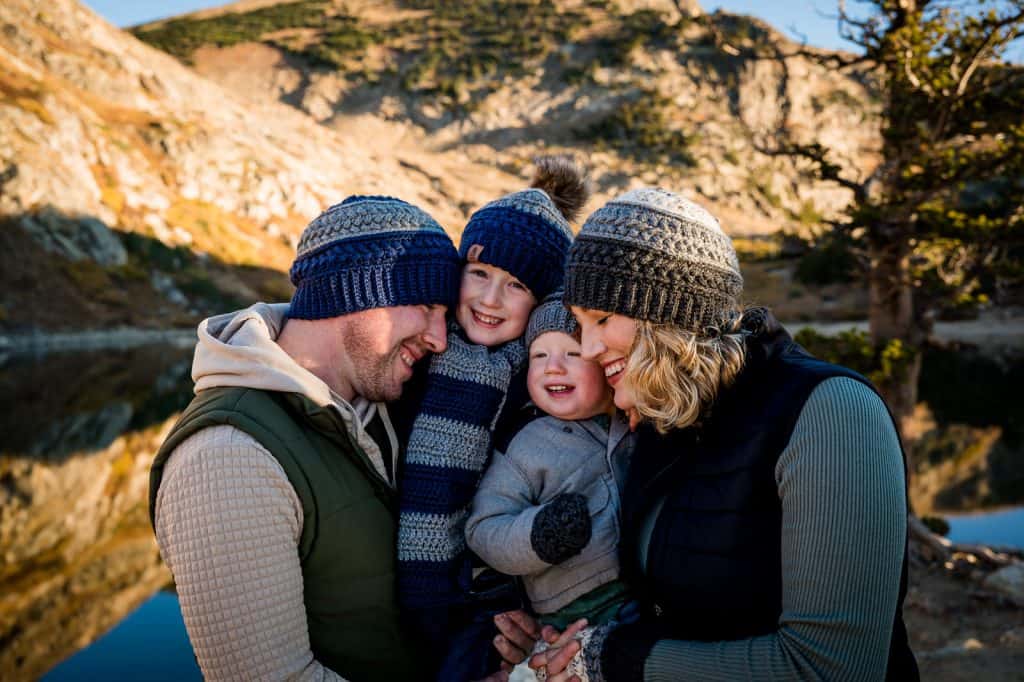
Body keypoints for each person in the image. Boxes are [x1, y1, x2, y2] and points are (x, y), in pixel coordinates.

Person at [531, 188, 919, 681]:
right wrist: (561, 636)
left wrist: (613, 660)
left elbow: (830, 669)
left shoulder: (830, 412)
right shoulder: (664, 415)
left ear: (669, 313)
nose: (586, 348)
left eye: (603, 319)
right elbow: (664, 607)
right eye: (579, 324)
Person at [148, 196, 463, 681]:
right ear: (355, 295)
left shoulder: (384, 405)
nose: (439, 338)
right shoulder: (228, 457)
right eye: (425, 305)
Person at [394, 157, 590, 680]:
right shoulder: (419, 353)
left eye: (515, 286)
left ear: (543, 298)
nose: (489, 298)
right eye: (478, 274)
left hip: (490, 600)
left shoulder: (541, 380)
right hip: (399, 585)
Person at [465, 292, 634, 658]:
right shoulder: (524, 447)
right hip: (575, 608)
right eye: (539, 356)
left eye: (571, 355)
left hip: (641, 590)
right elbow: (485, 528)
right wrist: (540, 536)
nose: (552, 368)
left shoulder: (631, 420)